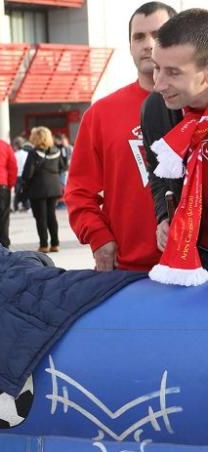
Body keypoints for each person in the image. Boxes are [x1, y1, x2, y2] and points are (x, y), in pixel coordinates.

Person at [66, 2, 176, 272]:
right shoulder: (99, 114)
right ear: (129, 45)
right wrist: (98, 238)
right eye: (139, 37)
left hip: (195, 269)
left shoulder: (199, 109)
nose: (148, 44)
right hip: (127, 273)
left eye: (158, 35)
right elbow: (79, 193)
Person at [144, 8, 208, 283]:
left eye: (173, 73)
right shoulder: (156, 109)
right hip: (193, 255)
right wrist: (163, 216)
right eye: (157, 67)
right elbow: (157, 173)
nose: (158, 84)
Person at [22, 126, 67, 253]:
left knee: (41, 217)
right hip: (54, 187)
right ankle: (55, 243)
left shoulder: (33, 153)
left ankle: (43, 245)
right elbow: (63, 167)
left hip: (38, 188)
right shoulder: (56, 151)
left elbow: (27, 173)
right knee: (51, 215)